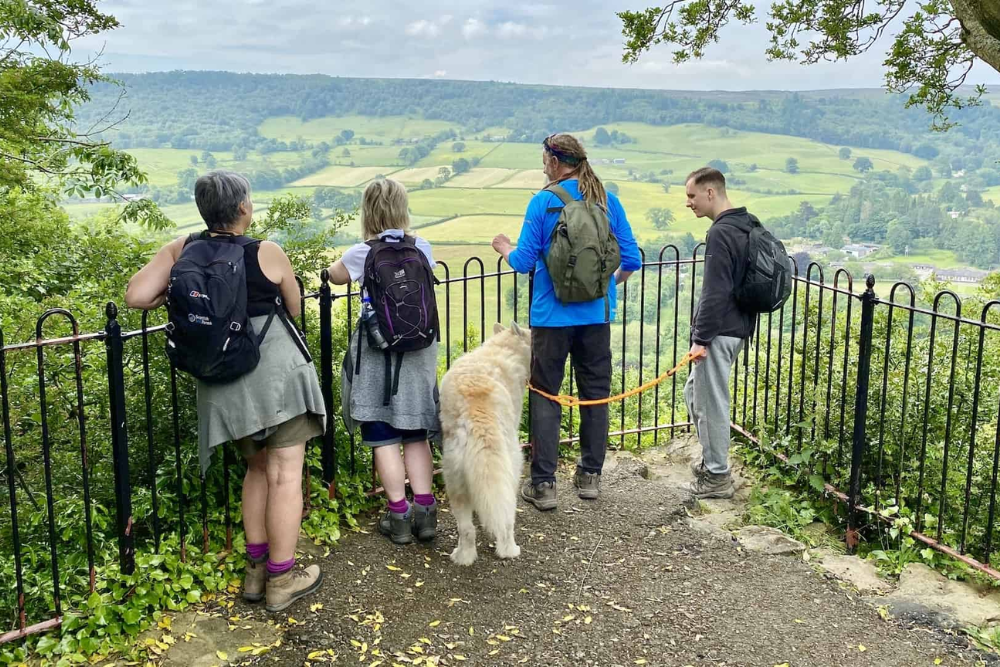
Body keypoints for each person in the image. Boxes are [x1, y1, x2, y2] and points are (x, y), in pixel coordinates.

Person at [124, 170, 325, 613]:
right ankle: (281, 579)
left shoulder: (182, 250)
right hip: (275, 376)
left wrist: (178, 295)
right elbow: (293, 308)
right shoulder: (266, 252)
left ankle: (255, 574)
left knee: (256, 471)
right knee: (285, 474)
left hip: (224, 383)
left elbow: (137, 295)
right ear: (242, 209)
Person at [492, 133, 641, 511]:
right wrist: (606, 285)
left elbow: (524, 261)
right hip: (596, 316)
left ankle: (543, 485)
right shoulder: (608, 202)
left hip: (551, 317)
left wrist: (504, 247)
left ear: (556, 162)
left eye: (544, 159)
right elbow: (632, 259)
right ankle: (590, 476)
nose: (543, 165)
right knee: (596, 394)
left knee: (546, 394)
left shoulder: (543, 203)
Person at [326, 178, 440, 545]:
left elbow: (334, 275)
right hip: (420, 352)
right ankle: (426, 513)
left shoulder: (363, 251)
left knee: (384, 436)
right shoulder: (421, 246)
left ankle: (399, 517)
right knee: (416, 432)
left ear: (368, 212)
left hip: (379, 353)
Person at [683, 167, 756, 499]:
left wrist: (700, 339)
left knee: (711, 402)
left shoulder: (720, 233)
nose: (689, 203)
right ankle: (713, 461)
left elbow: (715, 291)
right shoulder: (748, 223)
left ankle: (717, 476)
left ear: (710, 193)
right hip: (738, 327)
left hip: (719, 332)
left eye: (692, 196)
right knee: (694, 394)